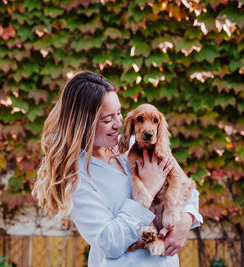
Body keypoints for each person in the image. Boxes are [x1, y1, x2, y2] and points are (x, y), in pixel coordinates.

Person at [32, 71, 203, 266]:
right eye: (107, 120)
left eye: (119, 113)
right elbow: (108, 241)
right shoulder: (76, 178)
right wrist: (147, 189)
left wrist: (185, 222)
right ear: (83, 123)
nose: (119, 124)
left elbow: (187, 188)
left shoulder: (134, 145)